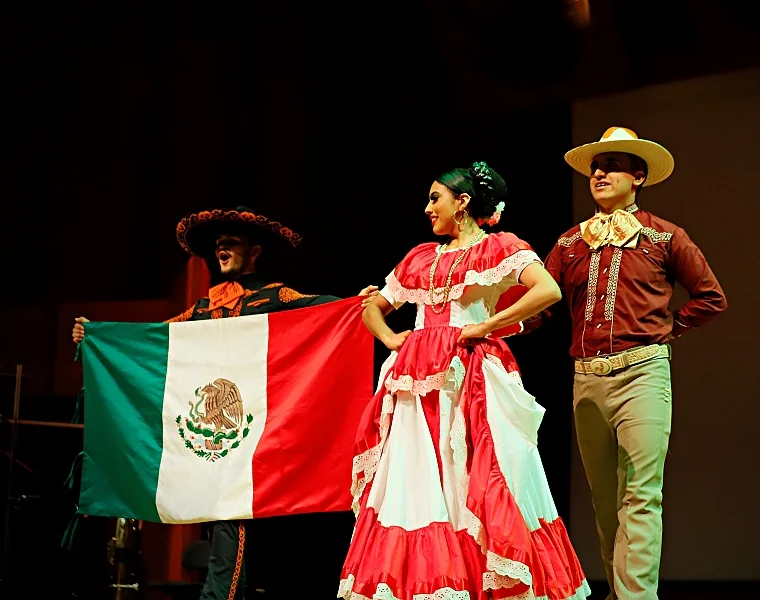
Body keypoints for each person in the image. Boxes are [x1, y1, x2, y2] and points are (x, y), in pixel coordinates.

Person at [72, 205, 379, 600]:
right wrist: (99, 337)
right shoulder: (202, 309)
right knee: (220, 521)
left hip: (257, 435)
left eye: (229, 243)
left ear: (254, 251)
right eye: (217, 245)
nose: (221, 250)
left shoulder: (273, 296)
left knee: (231, 522)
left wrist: (358, 301)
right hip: (211, 436)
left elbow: (321, 307)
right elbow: (152, 338)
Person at [338, 162, 591, 600]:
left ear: (463, 202)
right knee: (418, 479)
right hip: (414, 382)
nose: (427, 208)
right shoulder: (419, 257)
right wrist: (392, 338)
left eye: (435, 198)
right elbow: (373, 307)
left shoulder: (498, 247)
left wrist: (487, 324)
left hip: (469, 371)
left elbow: (546, 290)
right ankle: (434, 581)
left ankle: (484, 577)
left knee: (478, 473)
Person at [543, 127, 727, 600]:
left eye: (612, 166)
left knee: (641, 496)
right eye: (594, 168)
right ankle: (621, 592)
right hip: (587, 379)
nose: (599, 173)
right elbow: (539, 304)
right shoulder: (568, 244)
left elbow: (711, 297)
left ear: (638, 176)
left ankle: (637, 598)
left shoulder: (665, 236)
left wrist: (668, 330)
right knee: (606, 504)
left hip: (643, 373)